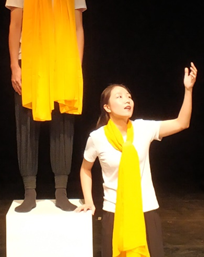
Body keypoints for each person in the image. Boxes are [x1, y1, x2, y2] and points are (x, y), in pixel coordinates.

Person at [77, 64, 197, 257]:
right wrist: (89, 201)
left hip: (146, 209)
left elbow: (181, 123)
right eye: (119, 97)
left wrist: (188, 90)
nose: (127, 100)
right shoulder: (97, 137)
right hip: (114, 211)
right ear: (107, 107)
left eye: (129, 97)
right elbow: (85, 169)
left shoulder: (143, 128)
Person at [6, 0, 86, 212]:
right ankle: (29, 191)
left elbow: (78, 28)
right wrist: (14, 66)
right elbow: (15, 26)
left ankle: (61, 191)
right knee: (27, 126)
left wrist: (76, 66)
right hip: (31, 61)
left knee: (63, 126)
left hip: (64, 61)